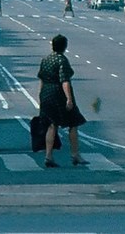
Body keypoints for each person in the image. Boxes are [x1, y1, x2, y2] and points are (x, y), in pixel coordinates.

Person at [37, 34, 87, 168]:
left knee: (51, 125)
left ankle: (48, 156)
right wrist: (69, 99)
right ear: (64, 47)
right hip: (58, 94)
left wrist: (40, 96)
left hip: (46, 93)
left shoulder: (45, 59)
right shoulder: (62, 60)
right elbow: (64, 81)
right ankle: (75, 154)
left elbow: (41, 78)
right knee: (73, 123)